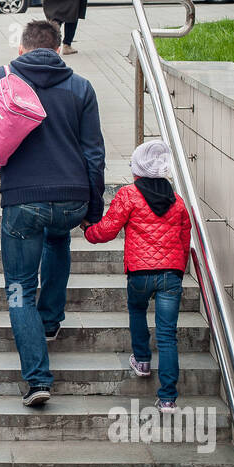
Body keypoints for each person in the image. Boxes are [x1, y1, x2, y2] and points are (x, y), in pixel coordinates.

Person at [0, 19, 106, 407]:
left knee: (20, 290)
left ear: (21, 50)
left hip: (23, 202)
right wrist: (94, 207)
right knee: (58, 239)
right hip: (72, 199)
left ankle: (38, 380)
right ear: (58, 50)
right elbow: (94, 153)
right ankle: (50, 321)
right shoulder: (81, 87)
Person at [83, 141, 191, 410]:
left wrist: (88, 231)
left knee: (137, 310)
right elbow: (184, 237)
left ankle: (142, 360)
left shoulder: (128, 195)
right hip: (171, 275)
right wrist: (178, 267)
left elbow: (108, 229)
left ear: (138, 169)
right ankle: (167, 398)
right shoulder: (177, 202)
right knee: (167, 335)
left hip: (140, 273)